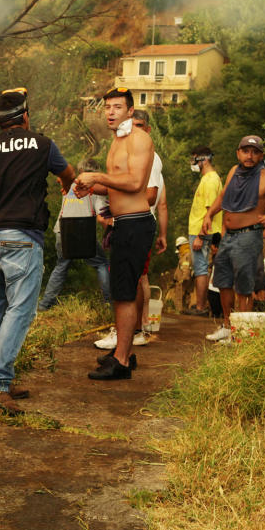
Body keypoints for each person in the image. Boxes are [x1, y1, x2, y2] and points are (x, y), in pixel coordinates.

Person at [0, 87, 76, 403]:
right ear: (24, 117)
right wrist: (65, 186)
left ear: (0, 122)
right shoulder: (42, 145)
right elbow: (69, 175)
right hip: (23, 241)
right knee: (21, 310)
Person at [74, 88, 155, 380]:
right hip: (122, 223)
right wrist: (89, 187)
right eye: (107, 107)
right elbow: (114, 185)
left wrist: (96, 176)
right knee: (125, 291)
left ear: (130, 111)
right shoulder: (117, 141)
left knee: (122, 293)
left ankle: (120, 361)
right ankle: (125, 353)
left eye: (117, 107)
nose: (110, 112)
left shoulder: (139, 139)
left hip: (136, 222)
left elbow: (135, 183)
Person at [202, 135, 265, 342]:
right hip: (228, 235)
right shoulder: (234, 171)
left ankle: (241, 334)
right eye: (246, 151)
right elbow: (223, 196)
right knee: (222, 282)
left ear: (261, 155)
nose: (250, 156)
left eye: (255, 152)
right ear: (238, 153)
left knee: (244, 286)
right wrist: (208, 215)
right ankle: (227, 325)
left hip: (249, 235)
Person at [93, 109, 166, 349]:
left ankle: (133, 332)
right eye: (131, 125)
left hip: (137, 222)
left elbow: (151, 194)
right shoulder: (125, 148)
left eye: (140, 125)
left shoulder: (148, 154)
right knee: (132, 280)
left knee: (132, 282)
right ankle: (132, 332)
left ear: (147, 128)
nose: (135, 129)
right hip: (125, 221)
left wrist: (101, 180)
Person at [38, 158, 111, 312]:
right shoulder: (96, 189)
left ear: (80, 171)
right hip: (83, 232)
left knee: (61, 266)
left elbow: (60, 177)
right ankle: (109, 302)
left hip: (62, 230)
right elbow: (102, 215)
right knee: (101, 263)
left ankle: (45, 304)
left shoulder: (70, 183)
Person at [183, 146, 223, 315]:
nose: (193, 163)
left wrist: (200, 235)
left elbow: (210, 211)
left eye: (195, 159)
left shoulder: (211, 180)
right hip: (201, 230)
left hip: (202, 231)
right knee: (201, 268)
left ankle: (201, 307)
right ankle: (201, 305)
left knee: (200, 269)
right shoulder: (207, 179)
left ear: (204, 159)